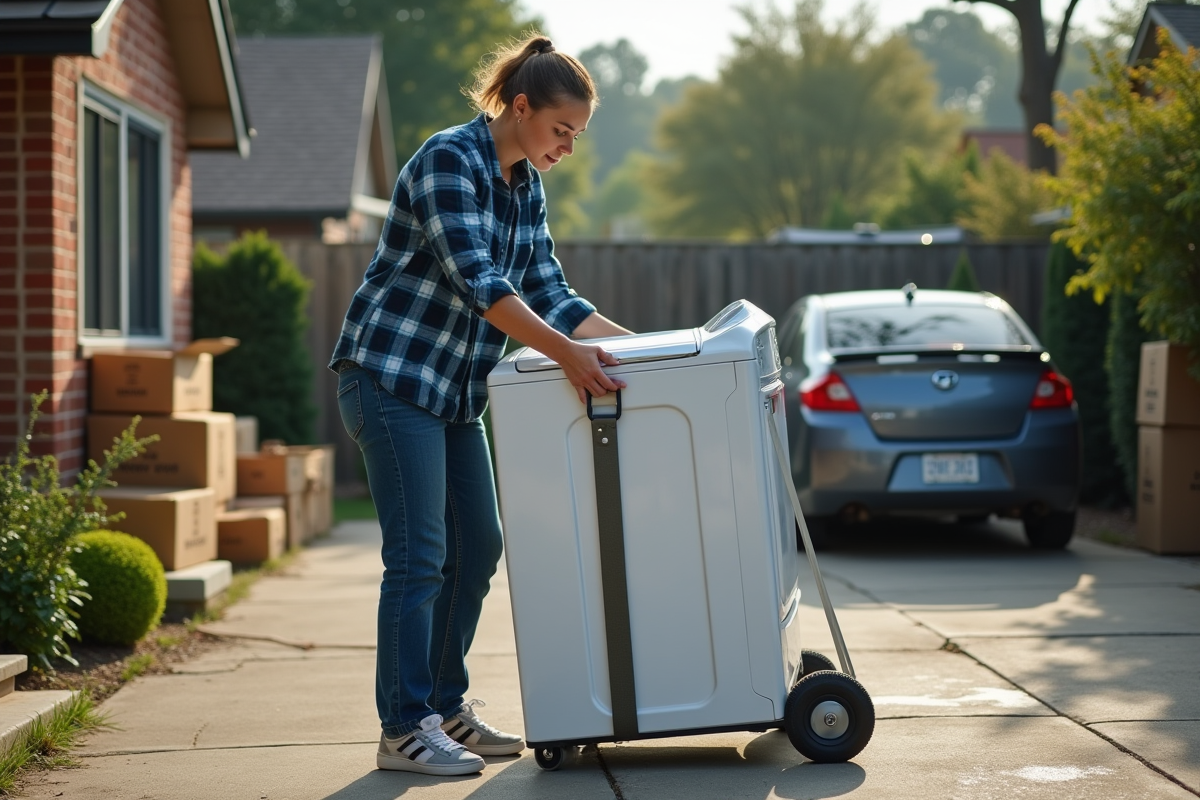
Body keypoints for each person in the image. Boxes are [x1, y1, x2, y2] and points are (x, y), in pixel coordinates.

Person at [329, 33, 631, 777]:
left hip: (454, 396)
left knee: (480, 548)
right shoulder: (447, 160)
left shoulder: (525, 184)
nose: (567, 147)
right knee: (419, 556)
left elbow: (553, 295)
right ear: (520, 107)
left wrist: (665, 352)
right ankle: (403, 728)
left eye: (577, 136)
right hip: (391, 379)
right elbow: (483, 284)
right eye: (561, 130)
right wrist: (568, 357)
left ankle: (443, 708)